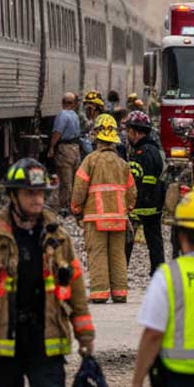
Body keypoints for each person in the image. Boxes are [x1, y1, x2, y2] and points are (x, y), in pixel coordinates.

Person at [0, 159, 94, 387]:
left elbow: (75, 284)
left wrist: (84, 333)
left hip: (46, 340)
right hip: (2, 341)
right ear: (13, 195)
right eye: (30, 193)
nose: (38, 199)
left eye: (41, 193)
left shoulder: (58, 238)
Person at [72, 113, 137, 303]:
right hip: (118, 218)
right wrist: (128, 209)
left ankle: (100, 294)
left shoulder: (90, 161)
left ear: (97, 136)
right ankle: (120, 292)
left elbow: (79, 189)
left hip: (95, 217)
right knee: (118, 254)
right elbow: (132, 192)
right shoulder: (123, 164)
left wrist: (76, 209)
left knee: (98, 253)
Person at [132, 192, 194, 387]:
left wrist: (137, 381)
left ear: (180, 234)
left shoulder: (168, 276)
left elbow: (152, 334)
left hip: (177, 374)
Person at [125, 110, 166, 276]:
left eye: (128, 131)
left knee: (126, 241)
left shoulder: (143, 153)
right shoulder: (153, 149)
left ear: (135, 132)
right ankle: (158, 272)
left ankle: (120, 274)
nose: (127, 135)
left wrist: (134, 206)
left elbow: (140, 181)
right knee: (155, 241)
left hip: (142, 205)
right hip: (154, 205)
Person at [47, 92, 83, 214]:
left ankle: (65, 205)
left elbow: (57, 132)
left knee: (65, 177)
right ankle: (74, 203)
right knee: (74, 177)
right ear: (73, 104)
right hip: (76, 148)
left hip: (65, 149)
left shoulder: (62, 115)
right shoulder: (75, 115)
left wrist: (51, 147)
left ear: (62, 103)